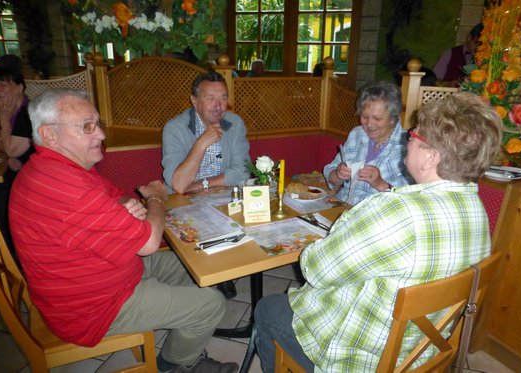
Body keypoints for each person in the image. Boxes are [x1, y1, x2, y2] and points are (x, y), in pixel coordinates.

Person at [254, 92, 503, 372]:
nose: (408, 141)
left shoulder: (394, 210)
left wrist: (334, 235)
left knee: (267, 309)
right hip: (421, 351)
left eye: (413, 136)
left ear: (431, 156)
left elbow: (315, 270)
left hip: (363, 358)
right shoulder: (477, 210)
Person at [8, 89, 239, 373]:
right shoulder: (67, 185)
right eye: (87, 127)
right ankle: (176, 363)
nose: (101, 135)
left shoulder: (59, 167)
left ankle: (187, 335)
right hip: (92, 309)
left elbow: (120, 197)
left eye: (97, 122)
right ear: (50, 135)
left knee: (200, 262)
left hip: (107, 273)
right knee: (212, 304)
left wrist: (128, 211)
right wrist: (156, 198)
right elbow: (150, 241)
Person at [162, 71, 250, 299]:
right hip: (184, 203)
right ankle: (211, 276)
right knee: (203, 227)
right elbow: (179, 185)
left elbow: (242, 170)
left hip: (224, 198)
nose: (219, 105)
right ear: (194, 101)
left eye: (223, 97)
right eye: (211, 98)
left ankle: (226, 272)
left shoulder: (235, 123)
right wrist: (201, 144)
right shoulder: (175, 128)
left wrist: (202, 183)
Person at [323, 81, 411, 206]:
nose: (369, 124)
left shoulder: (408, 146)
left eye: (377, 118)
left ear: (393, 118)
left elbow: (410, 199)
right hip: (341, 207)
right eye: (364, 116)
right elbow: (330, 174)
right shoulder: (357, 134)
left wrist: (380, 184)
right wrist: (338, 174)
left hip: (376, 215)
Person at [0, 67, 34, 248]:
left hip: (32, 175)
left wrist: (4, 120)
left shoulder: (26, 112)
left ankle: (7, 253)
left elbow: (11, 149)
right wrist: (9, 154)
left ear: (20, 87)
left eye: (3, 84)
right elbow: (3, 146)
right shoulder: (14, 111)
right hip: (21, 170)